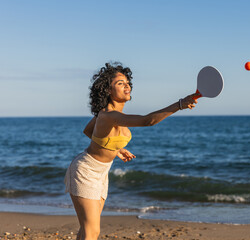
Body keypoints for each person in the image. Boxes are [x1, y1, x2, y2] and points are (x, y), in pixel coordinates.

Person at [64, 62, 198, 240]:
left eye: (127, 82)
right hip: (85, 170)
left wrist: (116, 148)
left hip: (102, 173)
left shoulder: (103, 115)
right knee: (92, 231)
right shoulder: (107, 115)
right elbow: (147, 121)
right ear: (107, 90)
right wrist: (179, 104)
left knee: (87, 229)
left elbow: (88, 131)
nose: (126, 85)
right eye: (120, 83)